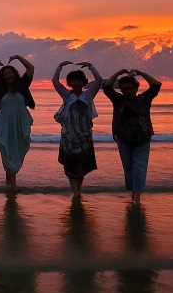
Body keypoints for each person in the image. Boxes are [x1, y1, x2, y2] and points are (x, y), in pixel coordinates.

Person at [102, 68, 162, 205]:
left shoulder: (144, 98)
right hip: (123, 140)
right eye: (124, 89)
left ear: (136, 88)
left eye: (130, 88)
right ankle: (133, 193)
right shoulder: (118, 99)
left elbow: (156, 85)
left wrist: (141, 73)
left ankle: (137, 198)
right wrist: (118, 73)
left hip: (142, 139)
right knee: (128, 170)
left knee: (139, 168)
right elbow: (106, 87)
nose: (127, 91)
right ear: (121, 90)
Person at [0, 55, 36, 192]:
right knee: (7, 151)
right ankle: (13, 185)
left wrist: (17, 57)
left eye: (10, 73)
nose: (8, 76)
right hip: (5, 124)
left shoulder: (22, 84)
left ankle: (8, 180)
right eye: (5, 74)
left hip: (20, 123)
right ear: (2, 77)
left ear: (14, 74)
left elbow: (30, 68)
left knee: (19, 148)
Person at [52, 61, 103, 197]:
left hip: (85, 135)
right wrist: (60, 67)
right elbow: (55, 81)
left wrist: (91, 66)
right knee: (69, 163)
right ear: (70, 83)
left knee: (82, 164)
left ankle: (77, 191)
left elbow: (99, 80)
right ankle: (74, 191)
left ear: (83, 82)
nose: (76, 83)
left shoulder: (89, 94)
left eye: (79, 80)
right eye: (73, 81)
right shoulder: (66, 95)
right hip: (68, 135)